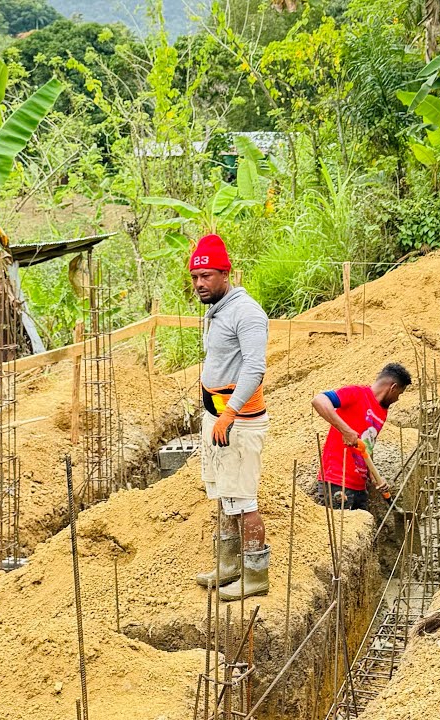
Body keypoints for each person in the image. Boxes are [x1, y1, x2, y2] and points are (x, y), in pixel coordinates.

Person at [190, 233, 272, 602]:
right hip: (218, 416)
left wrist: (230, 414)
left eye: (207, 276)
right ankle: (228, 566)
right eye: (195, 277)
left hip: (237, 420)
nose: (199, 283)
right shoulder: (217, 310)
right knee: (225, 493)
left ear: (226, 274)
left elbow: (254, 368)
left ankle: (255, 575)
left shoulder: (247, 313)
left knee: (243, 498)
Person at [311, 363, 412, 511]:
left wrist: (373, 475)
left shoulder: (382, 412)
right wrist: (346, 430)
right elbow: (318, 400)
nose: (397, 399)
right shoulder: (357, 394)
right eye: (399, 393)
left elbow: (367, 445)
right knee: (341, 526)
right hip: (337, 482)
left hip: (359, 487)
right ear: (393, 387)